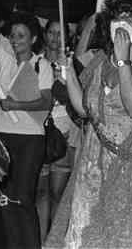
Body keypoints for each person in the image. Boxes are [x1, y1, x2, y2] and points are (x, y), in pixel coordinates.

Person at [44, 0, 132, 249]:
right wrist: (68, 71)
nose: (122, 24)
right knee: (80, 237)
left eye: (131, 20)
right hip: (91, 169)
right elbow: (83, 109)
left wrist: (124, 60)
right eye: (117, 17)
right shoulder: (101, 60)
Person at [0, 11, 52, 249]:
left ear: (33, 39)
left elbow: (46, 102)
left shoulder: (41, 64)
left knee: (23, 199)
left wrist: (15, 104)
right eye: (12, 35)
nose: (15, 40)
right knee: (6, 200)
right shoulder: (7, 62)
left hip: (30, 140)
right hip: (3, 138)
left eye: (21, 35)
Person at [36, 19, 79, 241]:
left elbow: (77, 100)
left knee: (58, 193)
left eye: (60, 33)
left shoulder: (73, 65)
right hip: (39, 132)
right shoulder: (35, 62)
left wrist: (65, 76)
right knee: (41, 192)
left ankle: (53, 240)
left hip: (65, 134)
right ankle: (42, 239)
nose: (55, 38)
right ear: (45, 35)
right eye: (51, 33)